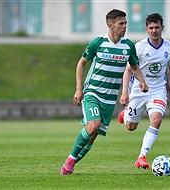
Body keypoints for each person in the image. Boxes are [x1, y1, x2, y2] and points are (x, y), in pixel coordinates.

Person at [60, 9, 148, 175]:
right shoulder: (98, 43)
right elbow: (81, 63)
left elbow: (135, 67)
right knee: (93, 125)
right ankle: (70, 159)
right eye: (121, 23)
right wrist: (79, 90)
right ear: (110, 25)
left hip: (109, 100)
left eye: (125, 23)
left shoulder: (128, 46)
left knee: (92, 136)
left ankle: (70, 164)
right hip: (93, 92)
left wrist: (142, 81)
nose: (124, 27)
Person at [117, 13, 170, 169]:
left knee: (156, 119)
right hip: (138, 91)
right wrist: (124, 93)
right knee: (131, 127)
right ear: (146, 29)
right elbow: (128, 70)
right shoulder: (139, 47)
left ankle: (142, 156)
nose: (154, 31)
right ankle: (126, 113)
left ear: (162, 28)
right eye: (151, 28)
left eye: (157, 27)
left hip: (158, 90)